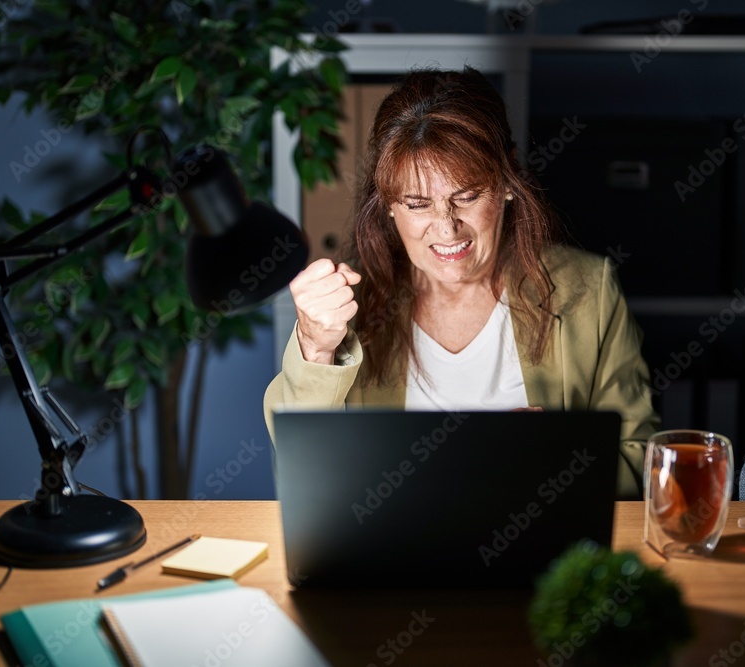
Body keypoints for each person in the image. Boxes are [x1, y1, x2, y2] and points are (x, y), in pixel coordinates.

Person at [263, 66, 660, 499]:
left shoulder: (588, 288)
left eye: (467, 197)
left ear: (508, 181)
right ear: (389, 206)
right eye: (417, 204)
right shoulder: (349, 308)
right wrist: (316, 347)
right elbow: (306, 475)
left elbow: (640, 461)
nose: (447, 229)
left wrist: (554, 457)